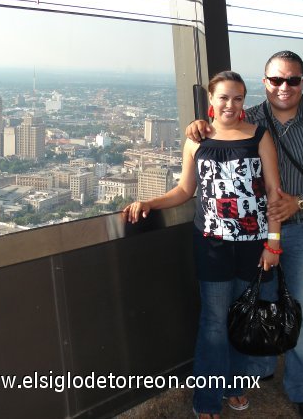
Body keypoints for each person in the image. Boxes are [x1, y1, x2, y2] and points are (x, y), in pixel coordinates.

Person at [185, 51, 303, 419]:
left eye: (292, 80)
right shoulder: (251, 119)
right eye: (276, 80)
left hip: (302, 229)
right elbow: (218, 129)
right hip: (254, 238)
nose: (284, 87)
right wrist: (199, 125)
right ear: (264, 82)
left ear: (302, 83)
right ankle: (252, 374)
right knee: (254, 308)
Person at [123, 71, 283, 419]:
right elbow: (184, 191)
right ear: (211, 101)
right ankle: (208, 398)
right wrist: (150, 203)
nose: (230, 104)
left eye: (237, 98)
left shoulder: (259, 137)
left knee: (245, 318)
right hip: (211, 244)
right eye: (223, 97)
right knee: (213, 322)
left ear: (244, 102)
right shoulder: (197, 140)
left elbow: (273, 194)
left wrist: (274, 243)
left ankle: (237, 385)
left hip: (253, 243)